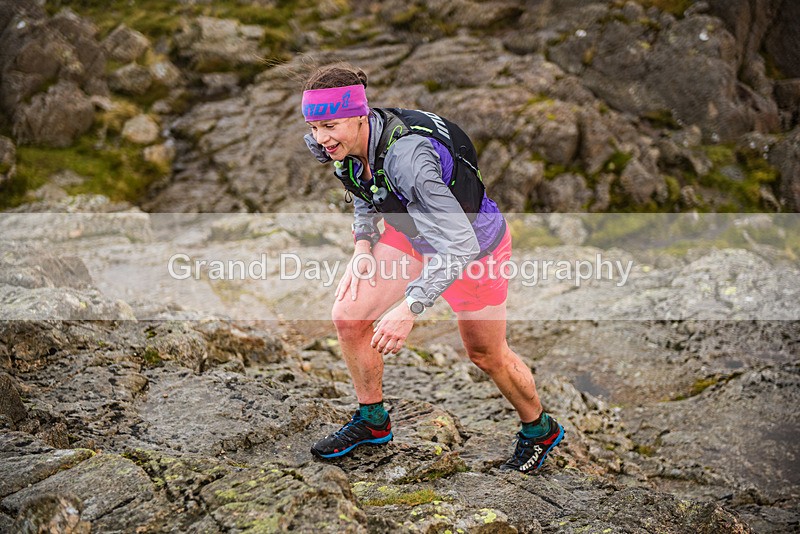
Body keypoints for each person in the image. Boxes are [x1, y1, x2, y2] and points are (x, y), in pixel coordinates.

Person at [301, 63, 564, 473]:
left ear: (359, 115)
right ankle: (373, 422)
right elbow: (364, 189)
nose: (321, 138)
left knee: (486, 354)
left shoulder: (408, 160)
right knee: (350, 317)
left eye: (330, 125)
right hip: (412, 233)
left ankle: (539, 429)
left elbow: (461, 244)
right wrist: (363, 245)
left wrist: (410, 307)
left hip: (475, 247)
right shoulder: (339, 143)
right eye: (314, 127)